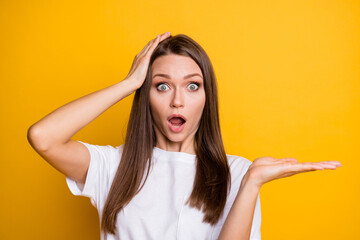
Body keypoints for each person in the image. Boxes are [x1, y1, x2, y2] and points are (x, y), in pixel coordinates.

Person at [27, 32, 342, 240]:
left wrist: (251, 184)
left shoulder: (238, 173)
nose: (177, 100)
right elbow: (42, 137)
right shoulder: (114, 166)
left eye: (192, 86)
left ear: (206, 97)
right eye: (161, 85)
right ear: (145, 96)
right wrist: (129, 83)